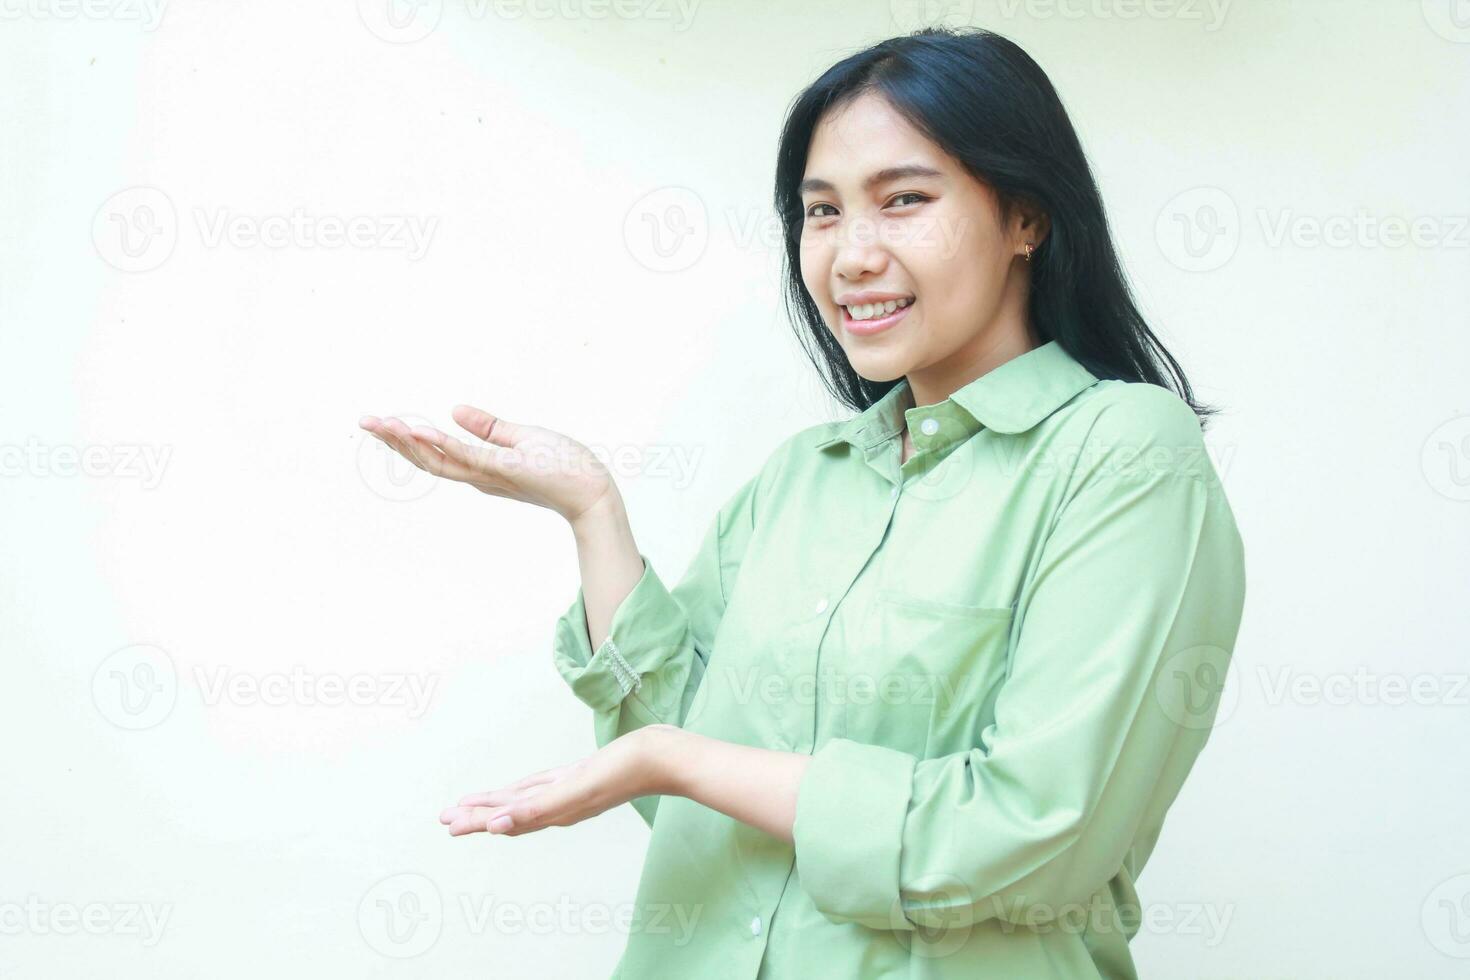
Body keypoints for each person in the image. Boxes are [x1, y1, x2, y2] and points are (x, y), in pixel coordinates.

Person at [359, 25, 1246, 980]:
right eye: (821, 213)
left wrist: (671, 758)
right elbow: (686, 790)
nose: (851, 255)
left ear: (1025, 217)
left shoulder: (1124, 454)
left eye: (904, 200)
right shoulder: (800, 476)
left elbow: (1032, 836)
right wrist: (593, 514)